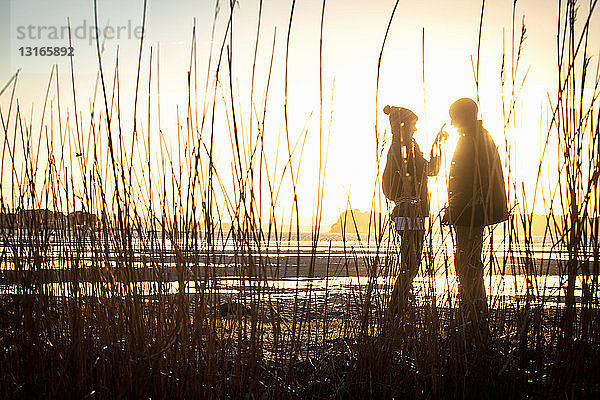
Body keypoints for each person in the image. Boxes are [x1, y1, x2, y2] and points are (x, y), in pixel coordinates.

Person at [443, 98, 508, 340]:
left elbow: (480, 183)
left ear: (466, 116)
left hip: (470, 214)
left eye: (454, 117)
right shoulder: (474, 136)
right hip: (466, 212)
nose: (451, 123)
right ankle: (471, 312)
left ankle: (473, 314)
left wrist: (460, 207)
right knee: (467, 262)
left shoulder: (477, 139)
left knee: (468, 262)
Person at [382, 105, 446, 318]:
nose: (416, 130)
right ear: (403, 126)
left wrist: (437, 145)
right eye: (413, 125)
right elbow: (427, 171)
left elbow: (430, 170)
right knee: (411, 260)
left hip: (411, 211)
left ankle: (400, 302)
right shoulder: (402, 148)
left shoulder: (408, 146)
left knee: (411, 260)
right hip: (409, 211)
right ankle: (398, 305)